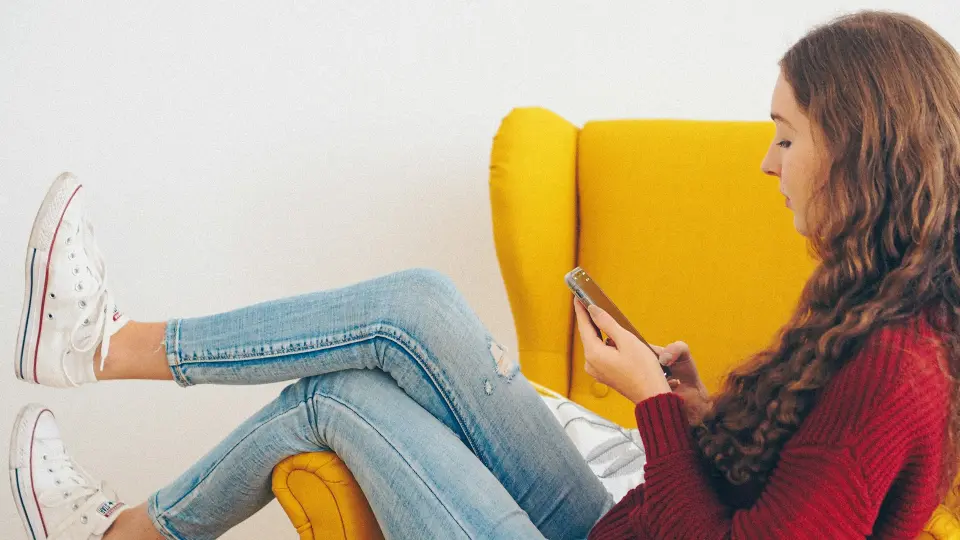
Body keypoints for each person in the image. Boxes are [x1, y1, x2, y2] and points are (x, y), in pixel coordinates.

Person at [8, 9, 959, 540]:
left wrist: (654, 413)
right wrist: (697, 408)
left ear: (859, 154)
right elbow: (783, 503)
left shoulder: (895, 364)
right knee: (416, 305)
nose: (767, 165)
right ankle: (103, 349)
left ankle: (113, 522)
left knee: (334, 398)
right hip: (622, 530)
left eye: (786, 138)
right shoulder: (872, 304)